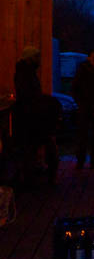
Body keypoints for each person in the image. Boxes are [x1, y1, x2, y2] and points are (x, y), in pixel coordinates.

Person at [13, 46, 61, 186]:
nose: (38, 60)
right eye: (36, 57)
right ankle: (39, 178)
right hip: (33, 118)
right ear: (30, 58)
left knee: (30, 149)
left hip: (32, 116)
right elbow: (29, 96)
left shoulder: (25, 72)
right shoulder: (25, 74)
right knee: (36, 148)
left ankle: (31, 178)